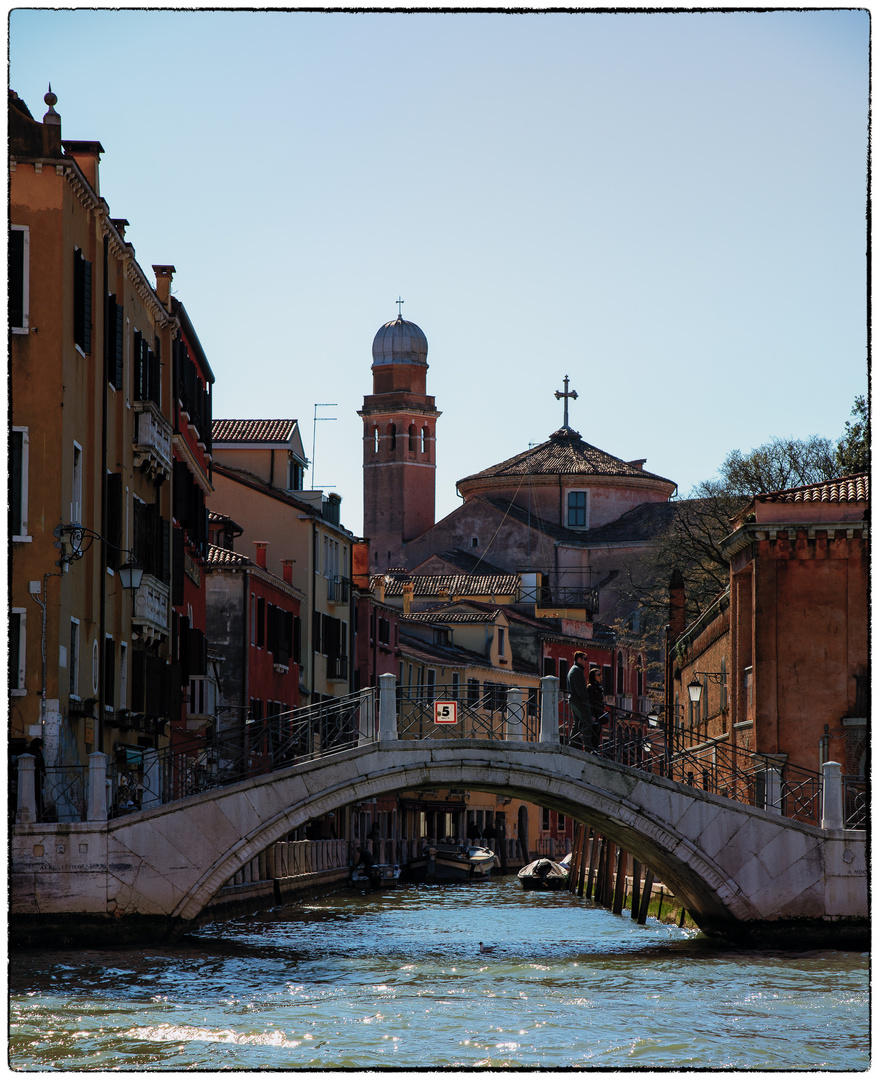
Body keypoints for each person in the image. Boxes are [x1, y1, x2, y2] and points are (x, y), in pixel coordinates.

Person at [566, 652, 594, 750]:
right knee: (587, 721)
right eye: (584, 659)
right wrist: (585, 700)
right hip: (579, 701)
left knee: (577, 722)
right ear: (579, 659)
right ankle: (588, 747)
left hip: (573, 700)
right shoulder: (577, 671)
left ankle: (572, 744)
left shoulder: (573, 670)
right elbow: (580, 690)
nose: (586, 661)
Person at [587, 667, 607, 750]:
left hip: (599, 713)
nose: (600, 676)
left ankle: (596, 749)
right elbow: (589, 701)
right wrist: (591, 715)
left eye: (600, 674)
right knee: (594, 732)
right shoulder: (590, 687)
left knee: (598, 732)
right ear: (593, 676)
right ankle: (592, 749)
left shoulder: (599, 687)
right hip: (594, 714)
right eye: (598, 674)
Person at [28, 737, 45, 817]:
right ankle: (43, 816)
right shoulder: (36, 753)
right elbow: (38, 766)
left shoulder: (30, 752)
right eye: (41, 746)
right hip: (36, 779)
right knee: (39, 799)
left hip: (33, 779)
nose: (42, 748)